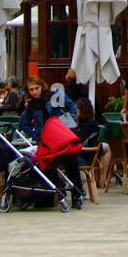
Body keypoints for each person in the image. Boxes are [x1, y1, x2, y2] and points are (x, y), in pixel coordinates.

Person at [19, 76, 84, 208]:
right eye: (31, 90)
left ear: (42, 86)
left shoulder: (55, 96)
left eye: (36, 88)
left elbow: (72, 107)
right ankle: (58, 192)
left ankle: (77, 194)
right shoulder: (31, 106)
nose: (34, 92)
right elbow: (24, 124)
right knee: (45, 163)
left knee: (71, 161)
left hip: (60, 139)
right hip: (46, 143)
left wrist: (68, 124)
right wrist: (36, 135)